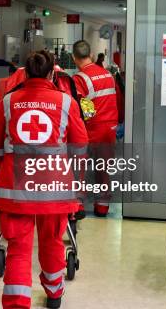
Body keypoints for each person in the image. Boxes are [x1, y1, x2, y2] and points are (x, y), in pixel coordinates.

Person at [0, 51, 88, 309]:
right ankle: (54, 294)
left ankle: (16, 304)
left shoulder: (8, 102)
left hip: (16, 190)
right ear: (52, 73)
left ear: (25, 73)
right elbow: (80, 147)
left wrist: (11, 168)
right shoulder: (67, 103)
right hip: (54, 188)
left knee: (19, 249)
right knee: (52, 241)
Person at [72, 40, 119, 217]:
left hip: (92, 129)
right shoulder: (107, 74)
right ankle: (102, 207)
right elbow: (117, 101)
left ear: (74, 57)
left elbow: (86, 110)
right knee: (103, 169)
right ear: (91, 54)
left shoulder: (79, 79)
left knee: (79, 168)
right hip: (110, 127)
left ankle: (78, 206)